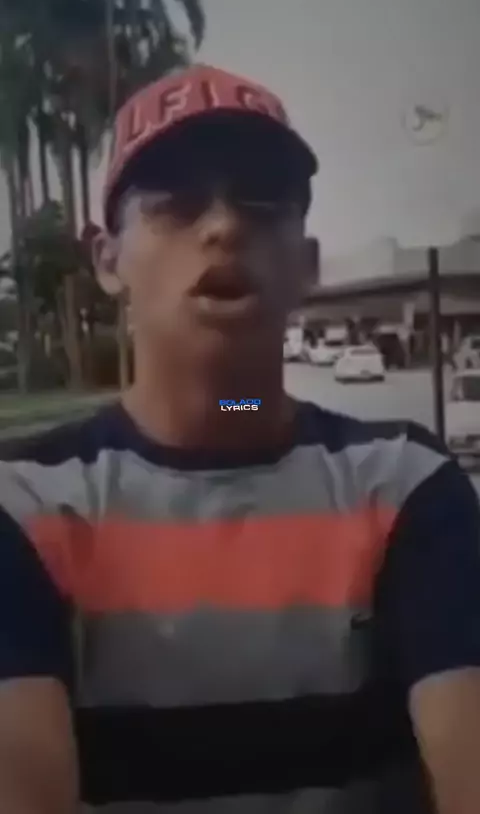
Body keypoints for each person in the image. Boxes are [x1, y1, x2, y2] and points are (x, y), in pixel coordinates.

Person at [0, 64, 479, 814]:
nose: (223, 227)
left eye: (262, 200)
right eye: (174, 202)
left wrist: (240, 405)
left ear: (307, 264)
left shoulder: (406, 484)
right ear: (107, 260)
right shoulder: (23, 507)